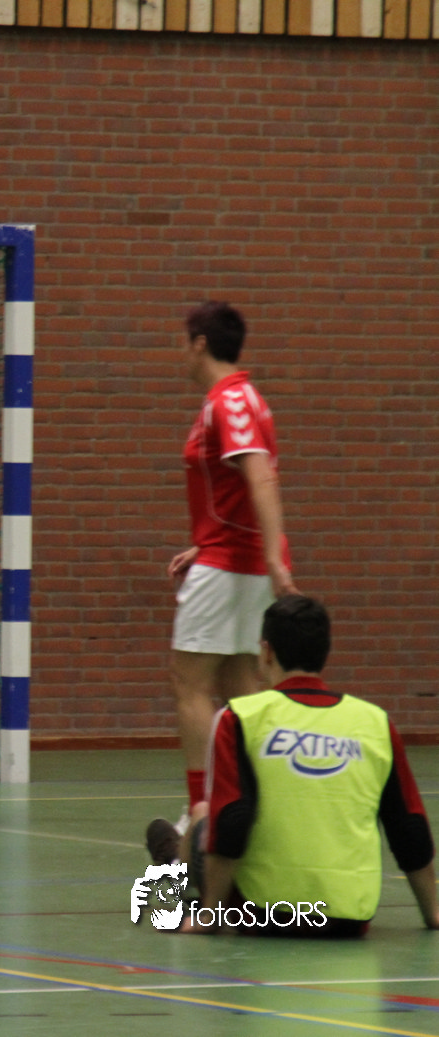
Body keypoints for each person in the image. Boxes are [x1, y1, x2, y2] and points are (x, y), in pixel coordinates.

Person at [159, 595, 439, 937]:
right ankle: (174, 858)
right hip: (348, 918)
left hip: (261, 914)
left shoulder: (241, 717)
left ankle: (174, 864)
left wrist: (210, 916)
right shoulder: (375, 722)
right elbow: (408, 825)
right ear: (325, 653)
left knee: (204, 813)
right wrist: (433, 913)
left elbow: (232, 820)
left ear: (266, 652)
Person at [164, 301, 297, 839]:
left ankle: (201, 812)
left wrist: (272, 559)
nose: (180, 352)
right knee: (241, 683)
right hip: (229, 559)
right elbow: (235, 491)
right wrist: (206, 544)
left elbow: (259, 476)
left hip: (233, 567)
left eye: (183, 341)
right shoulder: (237, 398)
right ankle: (254, 802)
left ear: (199, 343)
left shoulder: (231, 400)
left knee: (190, 682)